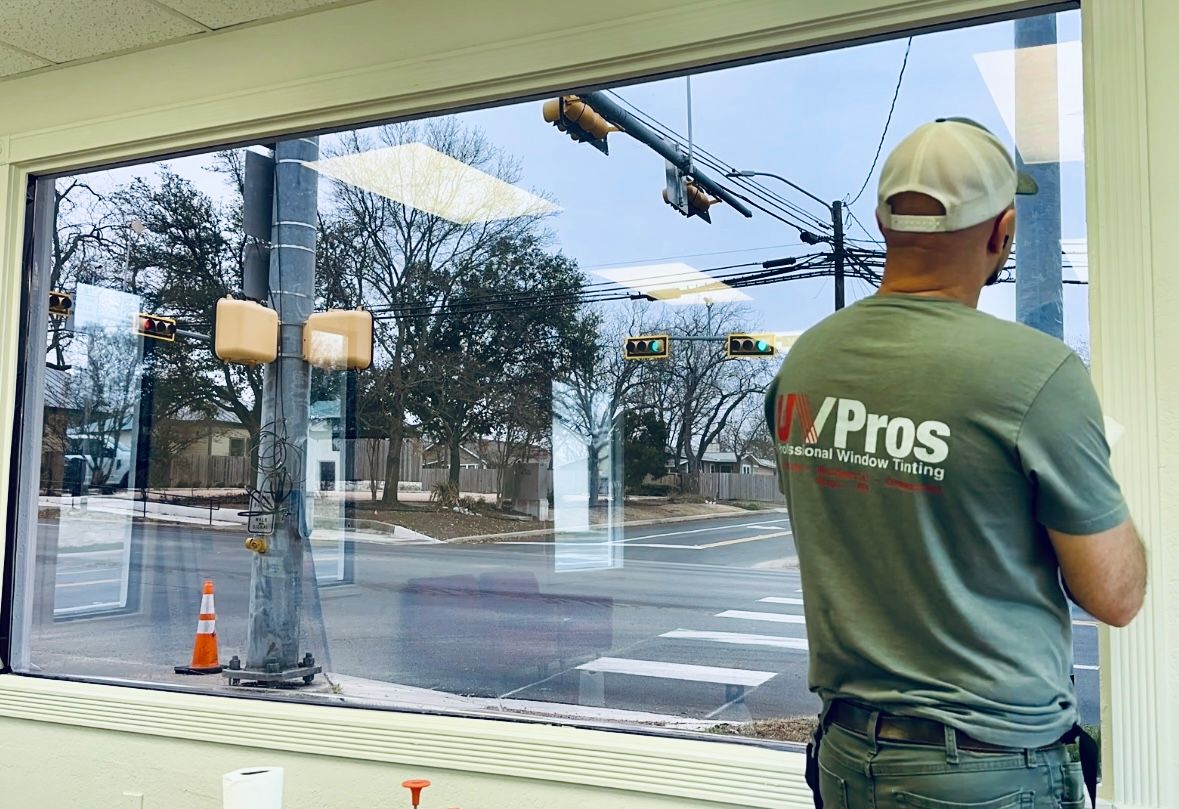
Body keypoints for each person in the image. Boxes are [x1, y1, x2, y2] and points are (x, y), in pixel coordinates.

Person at [763, 117, 1146, 808]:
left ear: (883, 224)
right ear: (1003, 232)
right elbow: (1114, 595)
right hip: (986, 769)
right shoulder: (1034, 374)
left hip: (847, 757)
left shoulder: (806, 363)